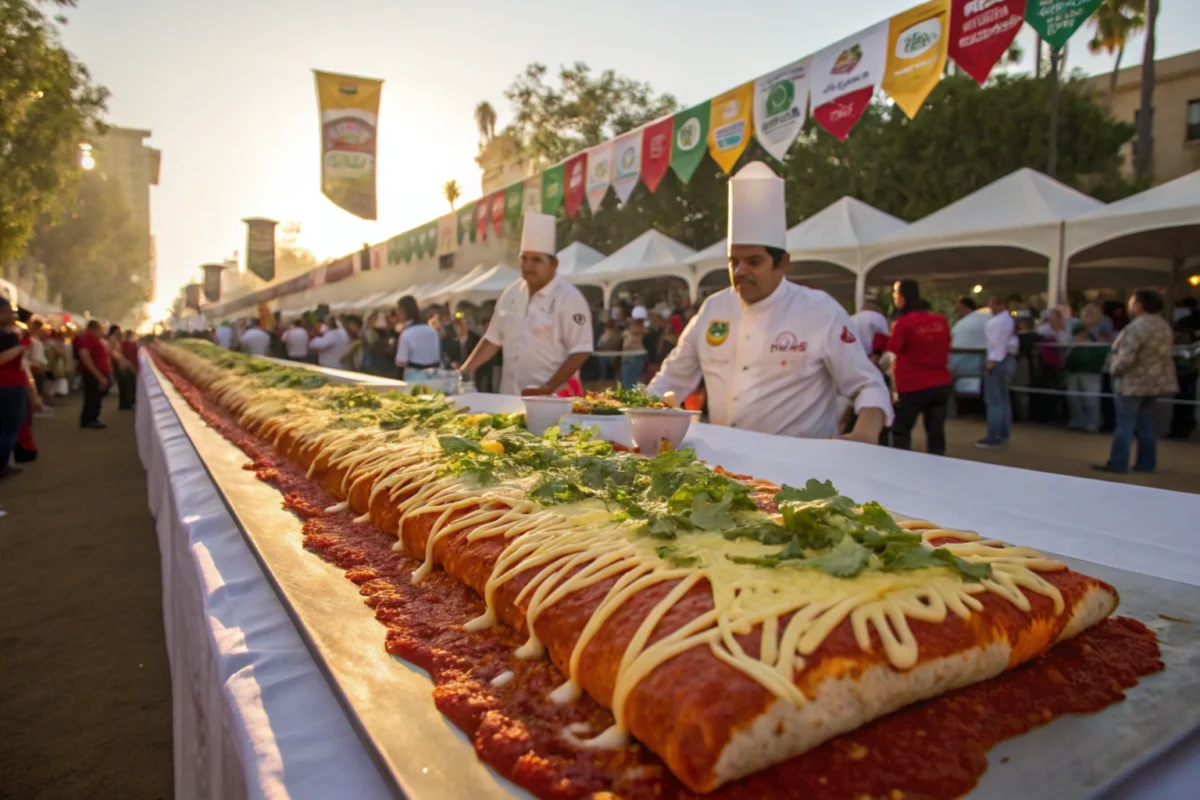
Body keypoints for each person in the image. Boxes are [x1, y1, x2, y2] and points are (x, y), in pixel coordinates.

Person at [648, 162, 892, 441]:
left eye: (753, 262)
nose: (740, 272)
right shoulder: (713, 309)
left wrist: (865, 434)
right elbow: (671, 380)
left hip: (801, 467)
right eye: (733, 261)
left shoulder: (819, 310)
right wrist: (631, 416)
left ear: (783, 264)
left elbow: (867, 384)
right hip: (724, 467)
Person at [460, 211, 593, 396]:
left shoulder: (569, 298)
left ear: (554, 264)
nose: (528, 265)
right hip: (510, 398)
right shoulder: (511, 293)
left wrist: (549, 387)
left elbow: (580, 350)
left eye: (537, 260)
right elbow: (492, 339)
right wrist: (465, 370)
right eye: (524, 258)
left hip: (553, 399)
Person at [1094, 290, 1179, 474]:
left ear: (1139, 306)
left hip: (1132, 382)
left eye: (1132, 303)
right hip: (1155, 382)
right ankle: (1146, 462)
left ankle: (1118, 461)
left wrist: (1113, 368)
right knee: (1146, 423)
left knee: (1124, 423)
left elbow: (1127, 356)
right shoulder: (1163, 326)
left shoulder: (1137, 327)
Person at [886, 280, 952, 454]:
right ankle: (937, 466)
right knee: (936, 431)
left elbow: (893, 350)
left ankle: (902, 467)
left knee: (901, 430)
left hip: (912, 384)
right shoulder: (941, 321)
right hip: (940, 382)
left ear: (901, 297)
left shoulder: (903, 324)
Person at [976, 296, 1017, 449]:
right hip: (1007, 360)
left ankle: (994, 436)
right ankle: (1003, 434)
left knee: (994, 400)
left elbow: (997, 344)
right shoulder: (1009, 321)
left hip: (998, 361)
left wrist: (992, 361)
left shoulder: (997, 322)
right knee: (1003, 399)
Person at [1063, 304, 1108, 433]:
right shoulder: (1077, 327)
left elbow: (1105, 346)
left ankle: (1093, 422)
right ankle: (1077, 421)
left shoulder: (1102, 330)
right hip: (1074, 369)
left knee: (1091, 398)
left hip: (1092, 370)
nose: (1090, 319)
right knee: (1073, 397)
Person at [0, 299, 30, 477]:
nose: (12, 316)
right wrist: (21, 347)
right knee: (9, 429)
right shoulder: (6, 336)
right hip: (9, 386)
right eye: (9, 311)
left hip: (11, 384)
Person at [1168, 298, 1198, 440]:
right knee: (1185, 397)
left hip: (1186, 368)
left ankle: (1180, 428)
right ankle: (1183, 427)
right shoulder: (1186, 321)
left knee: (1183, 397)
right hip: (1188, 368)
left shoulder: (1184, 322)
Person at [394, 296, 442, 383]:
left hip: (414, 380)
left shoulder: (406, 334)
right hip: (435, 377)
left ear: (402, 311)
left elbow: (401, 363)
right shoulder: (432, 330)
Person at [75, 319, 111, 429]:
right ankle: (90, 418)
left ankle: (91, 418)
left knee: (96, 396)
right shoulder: (87, 339)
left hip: (98, 372)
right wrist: (99, 376)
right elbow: (85, 356)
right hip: (93, 374)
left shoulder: (94, 339)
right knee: (93, 396)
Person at [621, 307, 648, 389]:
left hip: (633, 358)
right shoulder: (640, 329)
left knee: (629, 386)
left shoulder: (637, 329)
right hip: (631, 357)